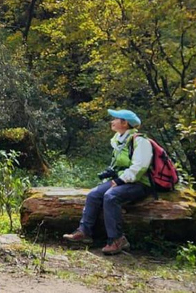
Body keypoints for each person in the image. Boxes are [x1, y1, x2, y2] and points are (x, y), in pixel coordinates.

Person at [63, 108, 153, 255]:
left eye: (115, 119)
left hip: (140, 183)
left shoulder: (140, 141)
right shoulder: (119, 140)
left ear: (124, 123)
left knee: (111, 197)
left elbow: (140, 167)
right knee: (93, 194)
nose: (112, 121)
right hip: (124, 180)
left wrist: (120, 180)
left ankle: (117, 240)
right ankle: (84, 233)